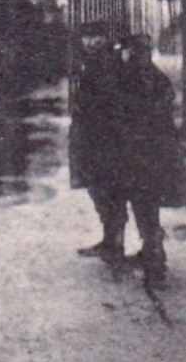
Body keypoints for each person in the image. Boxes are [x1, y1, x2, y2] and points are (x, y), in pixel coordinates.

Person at [113, 32, 181, 289]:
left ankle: (155, 265)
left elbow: (124, 115)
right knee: (147, 208)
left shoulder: (132, 79)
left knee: (144, 208)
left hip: (139, 156)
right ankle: (152, 255)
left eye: (128, 51)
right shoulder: (156, 77)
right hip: (156, 155)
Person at [69, 20, 126, 261]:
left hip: (105, 138)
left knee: (107, 190)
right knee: (101, 190)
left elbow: (109, 103)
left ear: (105, 38)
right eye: (87, 38)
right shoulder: (94, 63)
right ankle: (111, 240)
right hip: (93, 136)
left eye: (96, 37)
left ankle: (114, 243)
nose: (91, 42)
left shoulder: (108, 64)